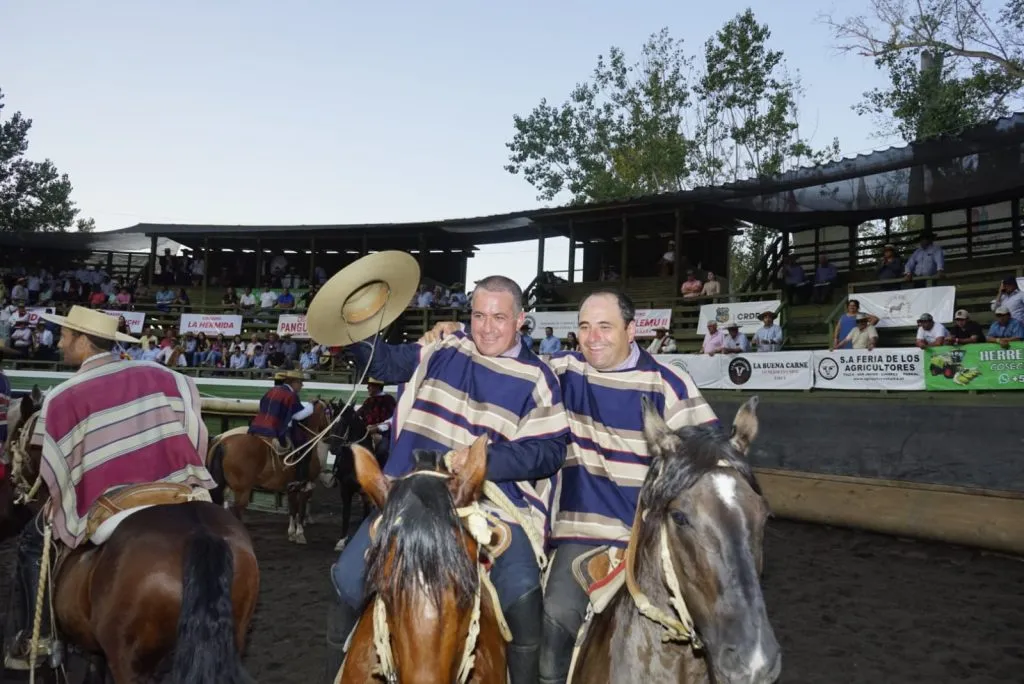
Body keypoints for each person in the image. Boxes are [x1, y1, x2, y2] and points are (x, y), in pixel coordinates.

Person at [306, 257, 569, 684]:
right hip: (410, 496)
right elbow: (387, 365)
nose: (486, 327)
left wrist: (485, 461)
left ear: (521, 320)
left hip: (490, 505)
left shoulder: (540, 378)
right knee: (347, 582)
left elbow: (549, 452)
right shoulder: (445, 346)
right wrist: (354, 325)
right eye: (479, 315)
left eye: (499, 317)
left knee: (523, 597)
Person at [5, 306, 214, 668]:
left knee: (32, 540)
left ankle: (37, 638)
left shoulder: (65, 395)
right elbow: (196, 432)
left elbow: (56, 466)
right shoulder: (167, 376)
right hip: (176, 490)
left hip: (111, 499)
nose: (60, 343)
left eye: (66, 337)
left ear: (84, 342)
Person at [538, 288, 720, 684]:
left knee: (718, 620)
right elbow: (505, 358)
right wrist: (456, 334)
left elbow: (710, 459)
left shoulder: (667, 384)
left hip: (654, 536)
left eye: (605, 326)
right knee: (556, 613)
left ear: (631, 330)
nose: (593, 337)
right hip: (584, 530)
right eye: (584, 327)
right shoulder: (563, 372)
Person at [248, 369, 315, 490]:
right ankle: (299, 480)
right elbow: (298, 415)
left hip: (256, 428)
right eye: (300, 382)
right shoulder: (291, 395)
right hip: (275, 430)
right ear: (293, 382)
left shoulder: (270, 391)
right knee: (305, 446)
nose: (302, 385)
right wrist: (311, 406)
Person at [356, 378, 396, 463]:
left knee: (382, 450)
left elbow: (394, 418)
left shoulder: (388, 400)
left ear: (377, 387)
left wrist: (378, 428)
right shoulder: (368, 401)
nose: (367, 388)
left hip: (384, 435)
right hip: (366, 434)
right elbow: (359, 415)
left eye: (370, 386)